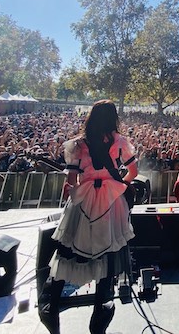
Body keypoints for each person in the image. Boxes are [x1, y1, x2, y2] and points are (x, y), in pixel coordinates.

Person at [39, 100, 138, 334]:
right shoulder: (120, 142)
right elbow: (133, 172)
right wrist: (118, 185)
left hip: (84, 200)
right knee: (108, 252)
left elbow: (71, 181)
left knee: (68, 252)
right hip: (111, 203)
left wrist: (76, 185)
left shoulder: (77, 145)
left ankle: (51, 309)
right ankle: (99, 319)